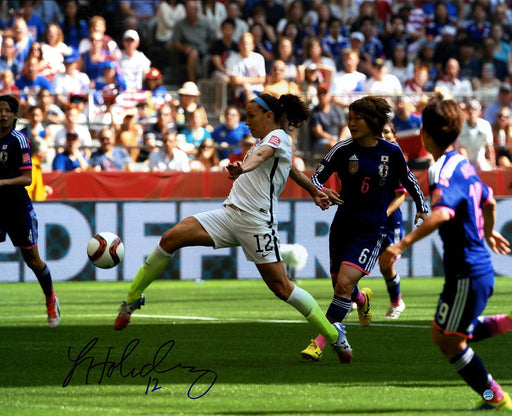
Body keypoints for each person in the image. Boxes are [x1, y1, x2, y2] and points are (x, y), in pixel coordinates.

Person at [113, 92, 352, 365]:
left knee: (282, 288)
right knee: (170, 239)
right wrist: (314, 190)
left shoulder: (277, 138)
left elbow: (261, 156)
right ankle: (132, 298)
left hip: (256, 221)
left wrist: (243, 166)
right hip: (228, 215)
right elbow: (290, 170)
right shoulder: (270, 141)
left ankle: (334, 335)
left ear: (268, 116)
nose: (247, 122)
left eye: (251, 116)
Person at [380, 96, 512, 411]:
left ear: (425, 134)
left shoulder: (442, 170)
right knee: (448, 335)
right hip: (471, 269)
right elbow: (489, 201)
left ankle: (497, 399)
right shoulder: (463, 162)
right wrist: (488, 230)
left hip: (467, 270)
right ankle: (507, 330)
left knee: (449, 342)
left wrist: (399, 245)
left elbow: (441, 215)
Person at [300, 96, 429, 363]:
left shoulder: (391, 152)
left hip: (372, 229)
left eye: (357, 118)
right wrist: (320, 191)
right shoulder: (342, 150)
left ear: (373, 121)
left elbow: (410, 179)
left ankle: (321, 341)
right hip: (343, 226)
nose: (351, 123)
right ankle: (362, 299)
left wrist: (422, 206)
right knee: (340, 286)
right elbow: (315, 178)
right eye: (349, 118)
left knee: (344, 284)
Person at [0, 95, 60, 327]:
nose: (2, 114)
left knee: (32, 260)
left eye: (7, 110)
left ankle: (50, 299)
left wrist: (3, 183)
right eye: (0, 110)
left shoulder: (20, 141)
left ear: (15, 115)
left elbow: (27, 178)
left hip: (17, 208)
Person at [457, 99, 495, 171]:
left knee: (484, 168)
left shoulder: (485, 125)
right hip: (464, 160)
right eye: (468, 109)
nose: (471, 111)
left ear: (479, 111)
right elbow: (459, 148)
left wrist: (493, 164)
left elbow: (489, 147)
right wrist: (466, 164)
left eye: (474, 109)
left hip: (480, 160)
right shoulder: (460, 126)